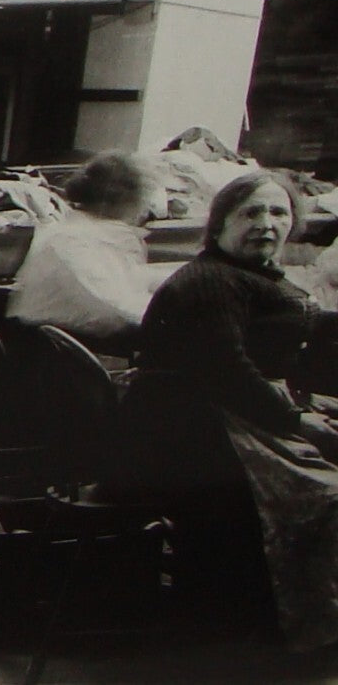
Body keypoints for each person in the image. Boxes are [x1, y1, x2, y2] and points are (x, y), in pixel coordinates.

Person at [124, 170, 338, 648]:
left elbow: (283, 327)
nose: (267, 223)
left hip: (228, 410)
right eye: (251, 212)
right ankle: (300, 628)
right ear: (220, 223)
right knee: (327, 491)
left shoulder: (245, 274)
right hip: (200, 430)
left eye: (279, 212)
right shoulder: (211, 283)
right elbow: (228, 370)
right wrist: (301, 421)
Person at [6, 150, 169, 354]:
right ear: (121, 199)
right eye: (144, 198)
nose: (145, 209)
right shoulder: (73, 239)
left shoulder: (91, 231)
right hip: (52, 354)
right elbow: (116, 303)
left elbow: (130, 278)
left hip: (76, 338)